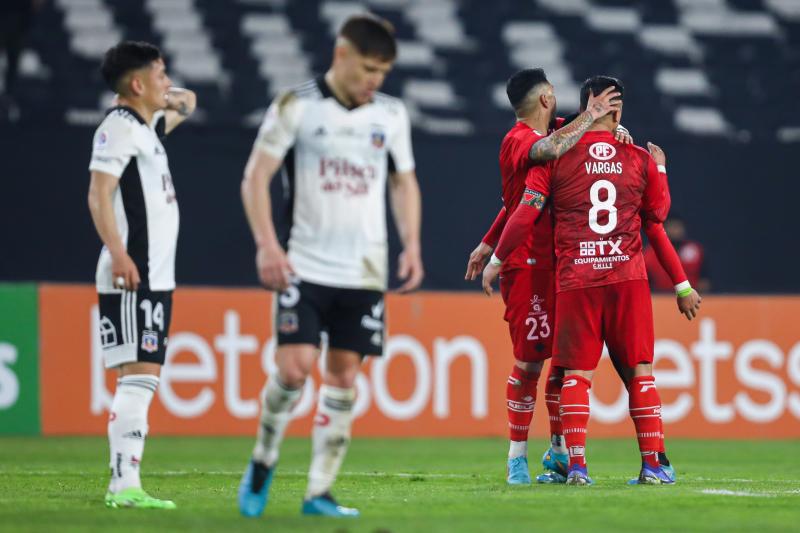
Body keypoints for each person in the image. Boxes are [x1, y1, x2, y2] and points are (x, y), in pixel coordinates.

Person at [238, 14, 423, 518]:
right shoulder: (296, 106)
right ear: (341, 55)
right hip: (304, 264)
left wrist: (412, 245)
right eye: (368, 69)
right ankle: (263, 456)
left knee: (343, 379)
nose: (374, 82)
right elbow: (256, 178)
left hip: (363, 270)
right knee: (294, 370)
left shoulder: (390, 115)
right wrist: (267, 245)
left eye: (383, 72)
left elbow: (403, 183)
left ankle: (318, 492)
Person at [483, 75, 701, 485]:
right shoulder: (632, 155)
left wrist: (495, 254)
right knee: (639, 372)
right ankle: (653, 465)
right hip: (624, 278)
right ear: (615, 110)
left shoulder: (557, 155)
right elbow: (658, 216)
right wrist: (659, 167)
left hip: (575, 278)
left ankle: (577, 467)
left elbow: (526, 208)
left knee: (573, 374)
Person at [463, 68, 623, 485]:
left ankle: (556, 453)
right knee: (530, 361)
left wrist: (618, 132)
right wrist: (496, 253)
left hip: (561, 264)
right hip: (527, 266)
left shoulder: (552, 131)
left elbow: (517, 200)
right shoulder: (520, 140)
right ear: (547, 97)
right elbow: (549, 156)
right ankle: (516, 457)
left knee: (562, 364)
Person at [87, 41, 196, 508]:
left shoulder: (145, 127)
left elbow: (188, 103)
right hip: (134, 269)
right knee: (139, 377)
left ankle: (125, 483)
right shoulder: (118, 127)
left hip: (155, 273)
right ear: (136, 83)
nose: (168, 81)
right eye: (159, 74)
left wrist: (161, 97)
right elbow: (99, 194)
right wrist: (119, 253)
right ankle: (123, 486)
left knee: (142, 377)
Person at [645, 214, 710, 293]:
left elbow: (704, 281)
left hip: (690, 298)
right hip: (660, 299)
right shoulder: (649, 253)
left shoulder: (696, 250)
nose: (674, 231)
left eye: (677, 227)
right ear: (663, 229)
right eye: (671, 227)